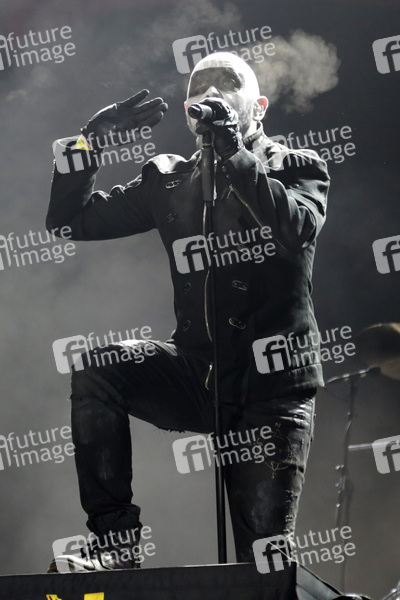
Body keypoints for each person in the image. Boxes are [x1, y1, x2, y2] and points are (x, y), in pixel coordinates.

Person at [47, 51, 330, 573]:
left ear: (259, 107)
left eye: (227, 83)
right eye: (200, 87)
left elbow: (294, 230)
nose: (211, 92)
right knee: (97, 368)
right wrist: (90, 142)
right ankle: (116, 544)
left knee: (261, 565)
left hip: (271, 387)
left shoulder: (295, 166)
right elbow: (70, 222)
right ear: (187, 111)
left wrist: (232, 152)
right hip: (199, 372)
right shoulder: (170, 180)